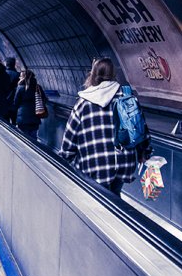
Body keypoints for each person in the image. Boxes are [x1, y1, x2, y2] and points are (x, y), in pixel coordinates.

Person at [59, 57, 150, 196]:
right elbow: (141, 128)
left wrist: (64, 158)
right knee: (114, 195)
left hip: (93, 163)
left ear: (93, 74)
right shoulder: (128, 97)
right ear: (114, 74)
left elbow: (70, 136)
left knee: (98, 201)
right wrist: (145, 152)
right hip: (124, 162)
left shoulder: (83, 102)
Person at [14, 69, 42, 138]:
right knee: (33, 137)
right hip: (35, 116)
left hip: (23, 117)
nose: (19, 78)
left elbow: (16, 102)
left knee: (23, 138)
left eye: (20, 76)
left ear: (24, 77)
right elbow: (43, 99)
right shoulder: (38, 87)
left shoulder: (20, 88)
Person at [5, 57, 20, 125]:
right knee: (14, 121)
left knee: (5, 122)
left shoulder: (2, 74)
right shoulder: (18, 75)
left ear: (6, 64)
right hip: (14, 102)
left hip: (4, 101)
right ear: (14, 64)